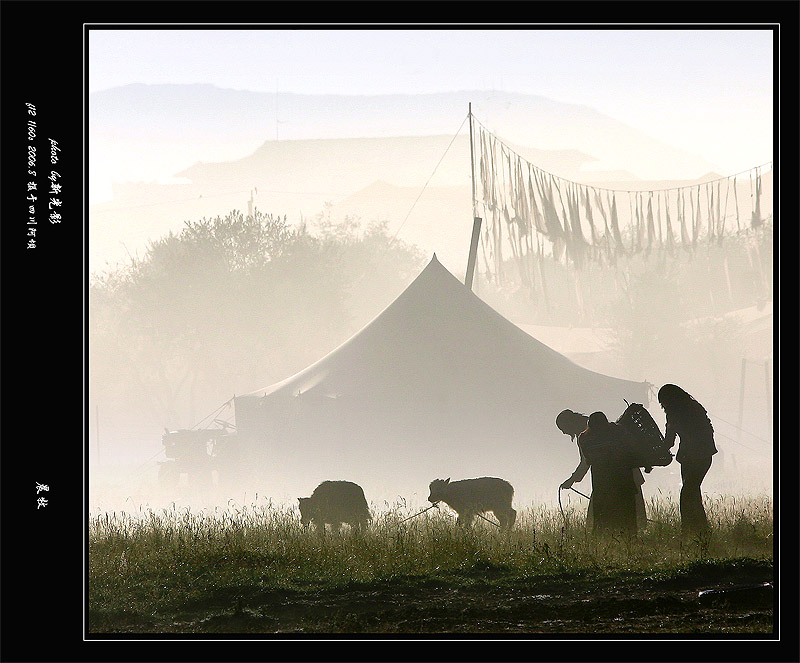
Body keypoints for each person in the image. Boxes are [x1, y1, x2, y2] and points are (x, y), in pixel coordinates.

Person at [557, 409, 647, 530]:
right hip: (627, 476)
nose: (563, 432)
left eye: (563, 428)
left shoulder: (586, 435)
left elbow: (585, 462)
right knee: (631, 512)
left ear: (569, 424)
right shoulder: (609, 427)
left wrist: (572, 479)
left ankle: (604, 538)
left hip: (607, 480)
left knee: (601, 515)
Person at [658, 384, 717, 536]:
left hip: (691, 456)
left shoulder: (674, 413)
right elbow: (708, 430)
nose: (662, 405)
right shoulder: (695, 408)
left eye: (663, 402)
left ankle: (689, 529)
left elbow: (669, 439)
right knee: (692, 491)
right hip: (701, 456)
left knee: (688, 492)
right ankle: (699, 529)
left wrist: (658, 452)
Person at [576, 411, 639, 535]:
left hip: (601, 480)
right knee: (626, 510)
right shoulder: (617, 432)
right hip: (622, 478)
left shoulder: (584, 439)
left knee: (603, 511)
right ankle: (629, 536)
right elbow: (629, 448)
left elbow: (588, 460)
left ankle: (603, 536)